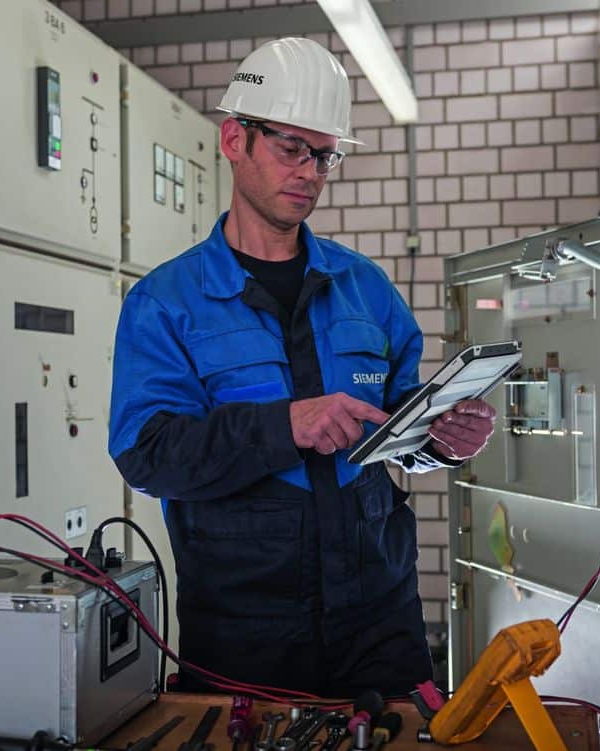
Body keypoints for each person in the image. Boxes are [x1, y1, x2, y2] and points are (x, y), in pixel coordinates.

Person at [108, 37, 497, 697]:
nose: (310, 172)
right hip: (245, 632)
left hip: (380, 617)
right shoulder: (166, 303)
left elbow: (401, 412)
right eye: (292, 148)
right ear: (235, 140)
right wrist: (284, 426)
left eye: (325, 155)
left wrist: (439, 439)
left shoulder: (363, 286)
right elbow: (148, 454)